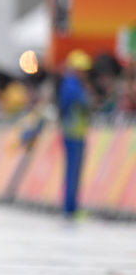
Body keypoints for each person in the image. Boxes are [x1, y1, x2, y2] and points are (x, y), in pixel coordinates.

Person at [57, 49, 92, 219]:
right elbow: (84, 104)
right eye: (82, 70)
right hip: (74, 135)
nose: (85, 73)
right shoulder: (73, 85)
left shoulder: (71, 84)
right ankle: (70, 207)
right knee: (73, 171)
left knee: (72, 171)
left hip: (73, 133)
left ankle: (70, 206)